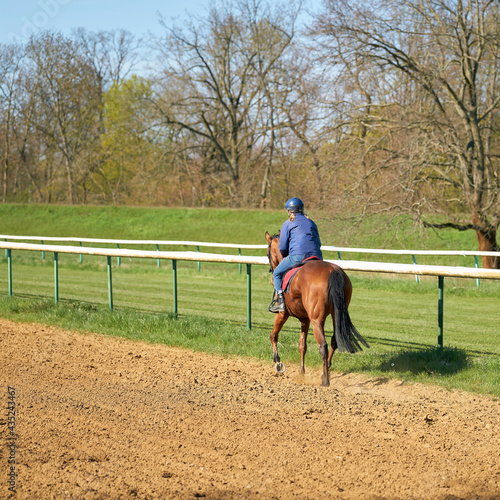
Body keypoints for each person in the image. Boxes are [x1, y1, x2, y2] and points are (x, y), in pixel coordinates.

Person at [269, 197, 323, 313]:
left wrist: (284, 257)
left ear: (289, 211)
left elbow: (282, 246)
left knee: (277, 273)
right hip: (317, 257)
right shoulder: (311, 222)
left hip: (298, 257)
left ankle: (280, 302)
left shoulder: (288, 223)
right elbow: (318, 243)